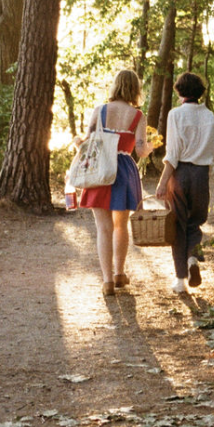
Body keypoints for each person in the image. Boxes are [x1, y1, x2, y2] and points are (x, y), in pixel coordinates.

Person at [76, 68, 152, 296]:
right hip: (124, 170)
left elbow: (86, 143)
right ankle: (119, 273)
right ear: (135, 89)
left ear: (115, 86)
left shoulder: (100, 111)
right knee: (121, 224)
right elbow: (141, 151)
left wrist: (77, 142)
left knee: (103, 227)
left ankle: (107, 281)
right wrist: (150, 147)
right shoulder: (138, 116)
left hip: (100, 169)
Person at [155, 71, 214, 295]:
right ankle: (192, 258)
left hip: (180, 174)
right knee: (195, 221)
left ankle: (180, 279)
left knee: (178, 224)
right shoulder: (209, 116)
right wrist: (206, 172)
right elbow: (213, 150)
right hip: (201, 173)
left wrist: (163, 182)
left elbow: (173, 153)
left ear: (180, 91)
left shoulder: (175, 115)